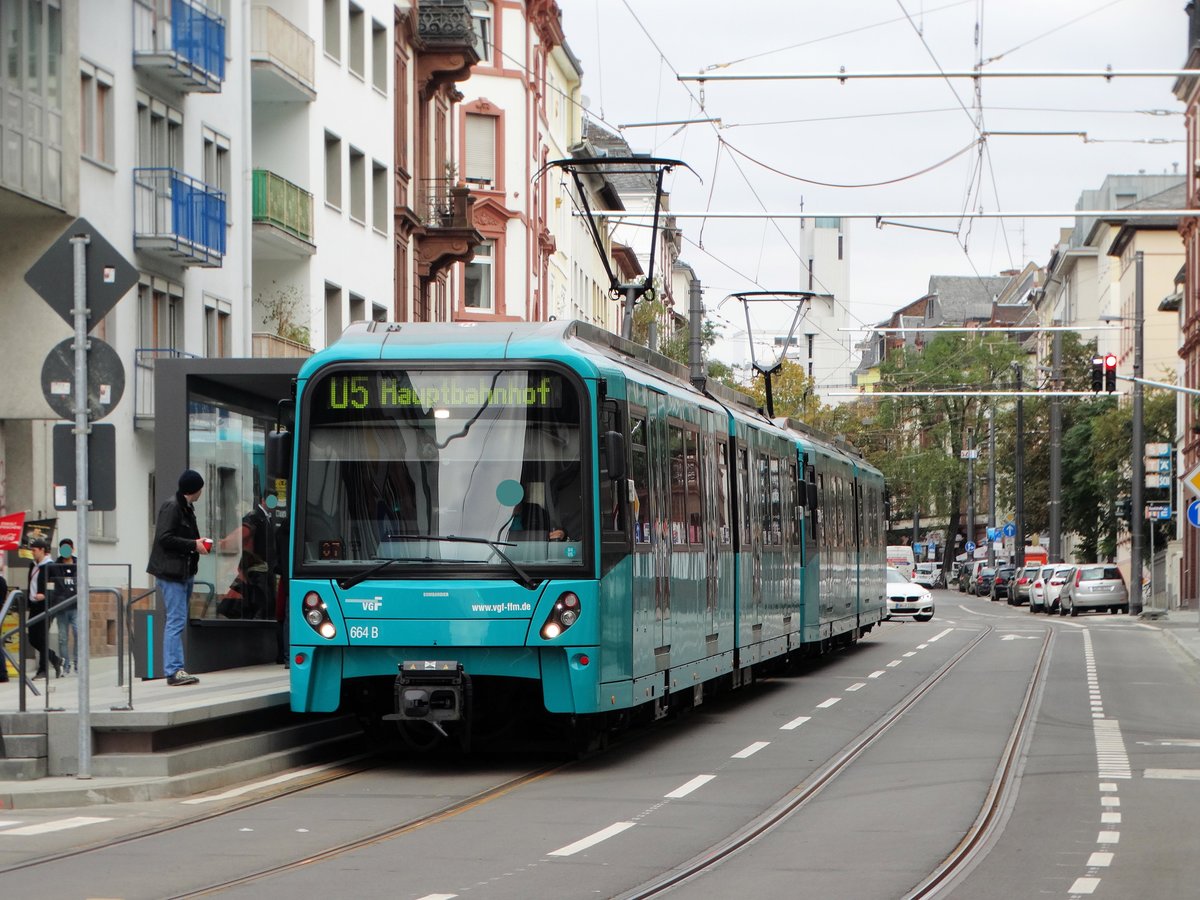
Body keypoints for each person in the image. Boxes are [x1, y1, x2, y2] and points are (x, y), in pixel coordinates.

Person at [147, 468, 212, 686]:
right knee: (175, 621)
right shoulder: (173, 507)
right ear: (195, 489)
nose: (201, 492)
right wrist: (194, 544)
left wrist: (197, 544)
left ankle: (176, 669)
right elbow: (164, 538)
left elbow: (179, 538)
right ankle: (174, 670)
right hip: (171, 573)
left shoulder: (185, 508)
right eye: (200, 488)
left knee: (177, 620)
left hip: (183, 572)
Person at [26, 538, 63, 678]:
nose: (32, 553)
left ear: (42, 550)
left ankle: (43, 670)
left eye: (34, 550)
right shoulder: (33, 565)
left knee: (41, 637)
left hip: (46, 606)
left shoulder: (51, 566)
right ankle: (55, 659)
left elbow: (58, 587)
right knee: (33, 638)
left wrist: (45, 595)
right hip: (34, 605)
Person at [53, 539, 78, 675]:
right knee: (63, 637)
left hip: (76, 605)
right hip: (61, 606)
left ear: (72, 549)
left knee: (78, 633)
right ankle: (65, 664)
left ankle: (78, 662)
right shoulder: (55, 565)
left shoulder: (78, 564)